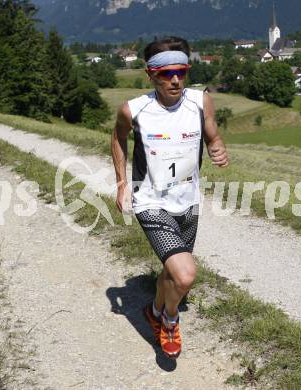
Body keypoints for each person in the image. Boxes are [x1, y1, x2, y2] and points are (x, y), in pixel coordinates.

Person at [111, 36, 228, 359]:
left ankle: (153, 311)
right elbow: (118, 138)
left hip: (188, 201)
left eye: (181, 71)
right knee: (186, 273)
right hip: (150, 201)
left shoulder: (200, 101)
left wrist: (217, 146)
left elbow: (211, 132)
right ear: (151, 75)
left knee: (172, 271)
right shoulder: (134, 110)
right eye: (165, 73)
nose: (174, 79)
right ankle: (170, 319)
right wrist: (122, 183)